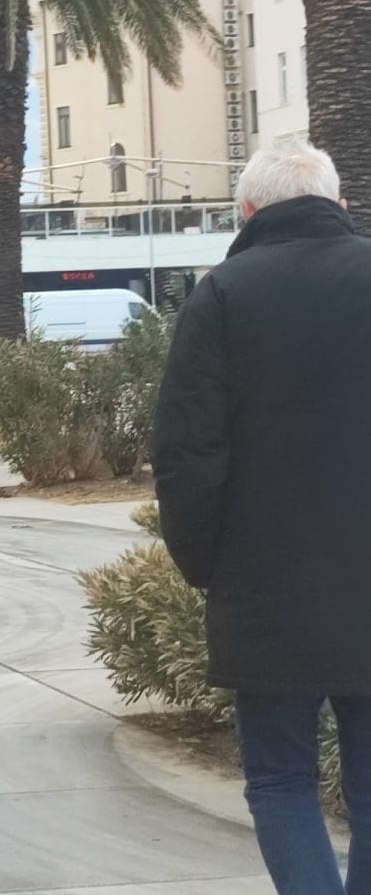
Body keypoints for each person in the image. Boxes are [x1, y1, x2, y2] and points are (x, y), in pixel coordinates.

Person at [152, 138, 371, 895]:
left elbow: (185, 451)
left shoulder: (222, 295)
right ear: (340, 205)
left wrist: (206, 564)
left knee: (280, 780)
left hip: (266, 583)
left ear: (245, 211)